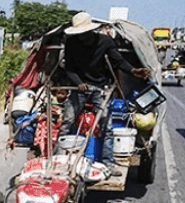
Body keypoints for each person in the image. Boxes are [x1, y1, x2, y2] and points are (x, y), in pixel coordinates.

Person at [60, 12, 151, 177]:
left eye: (84, 33)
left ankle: (107, 163)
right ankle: (58, 160)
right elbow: (70, 68)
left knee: (106, 126)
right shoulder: (71, 42)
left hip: (100, 87)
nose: (82, 37)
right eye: (79, 34)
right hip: (79, 87)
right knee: (67, 122)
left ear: (90, 31)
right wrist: (79, 83)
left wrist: (133, 70)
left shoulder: (105, 41)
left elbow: (118, 60)